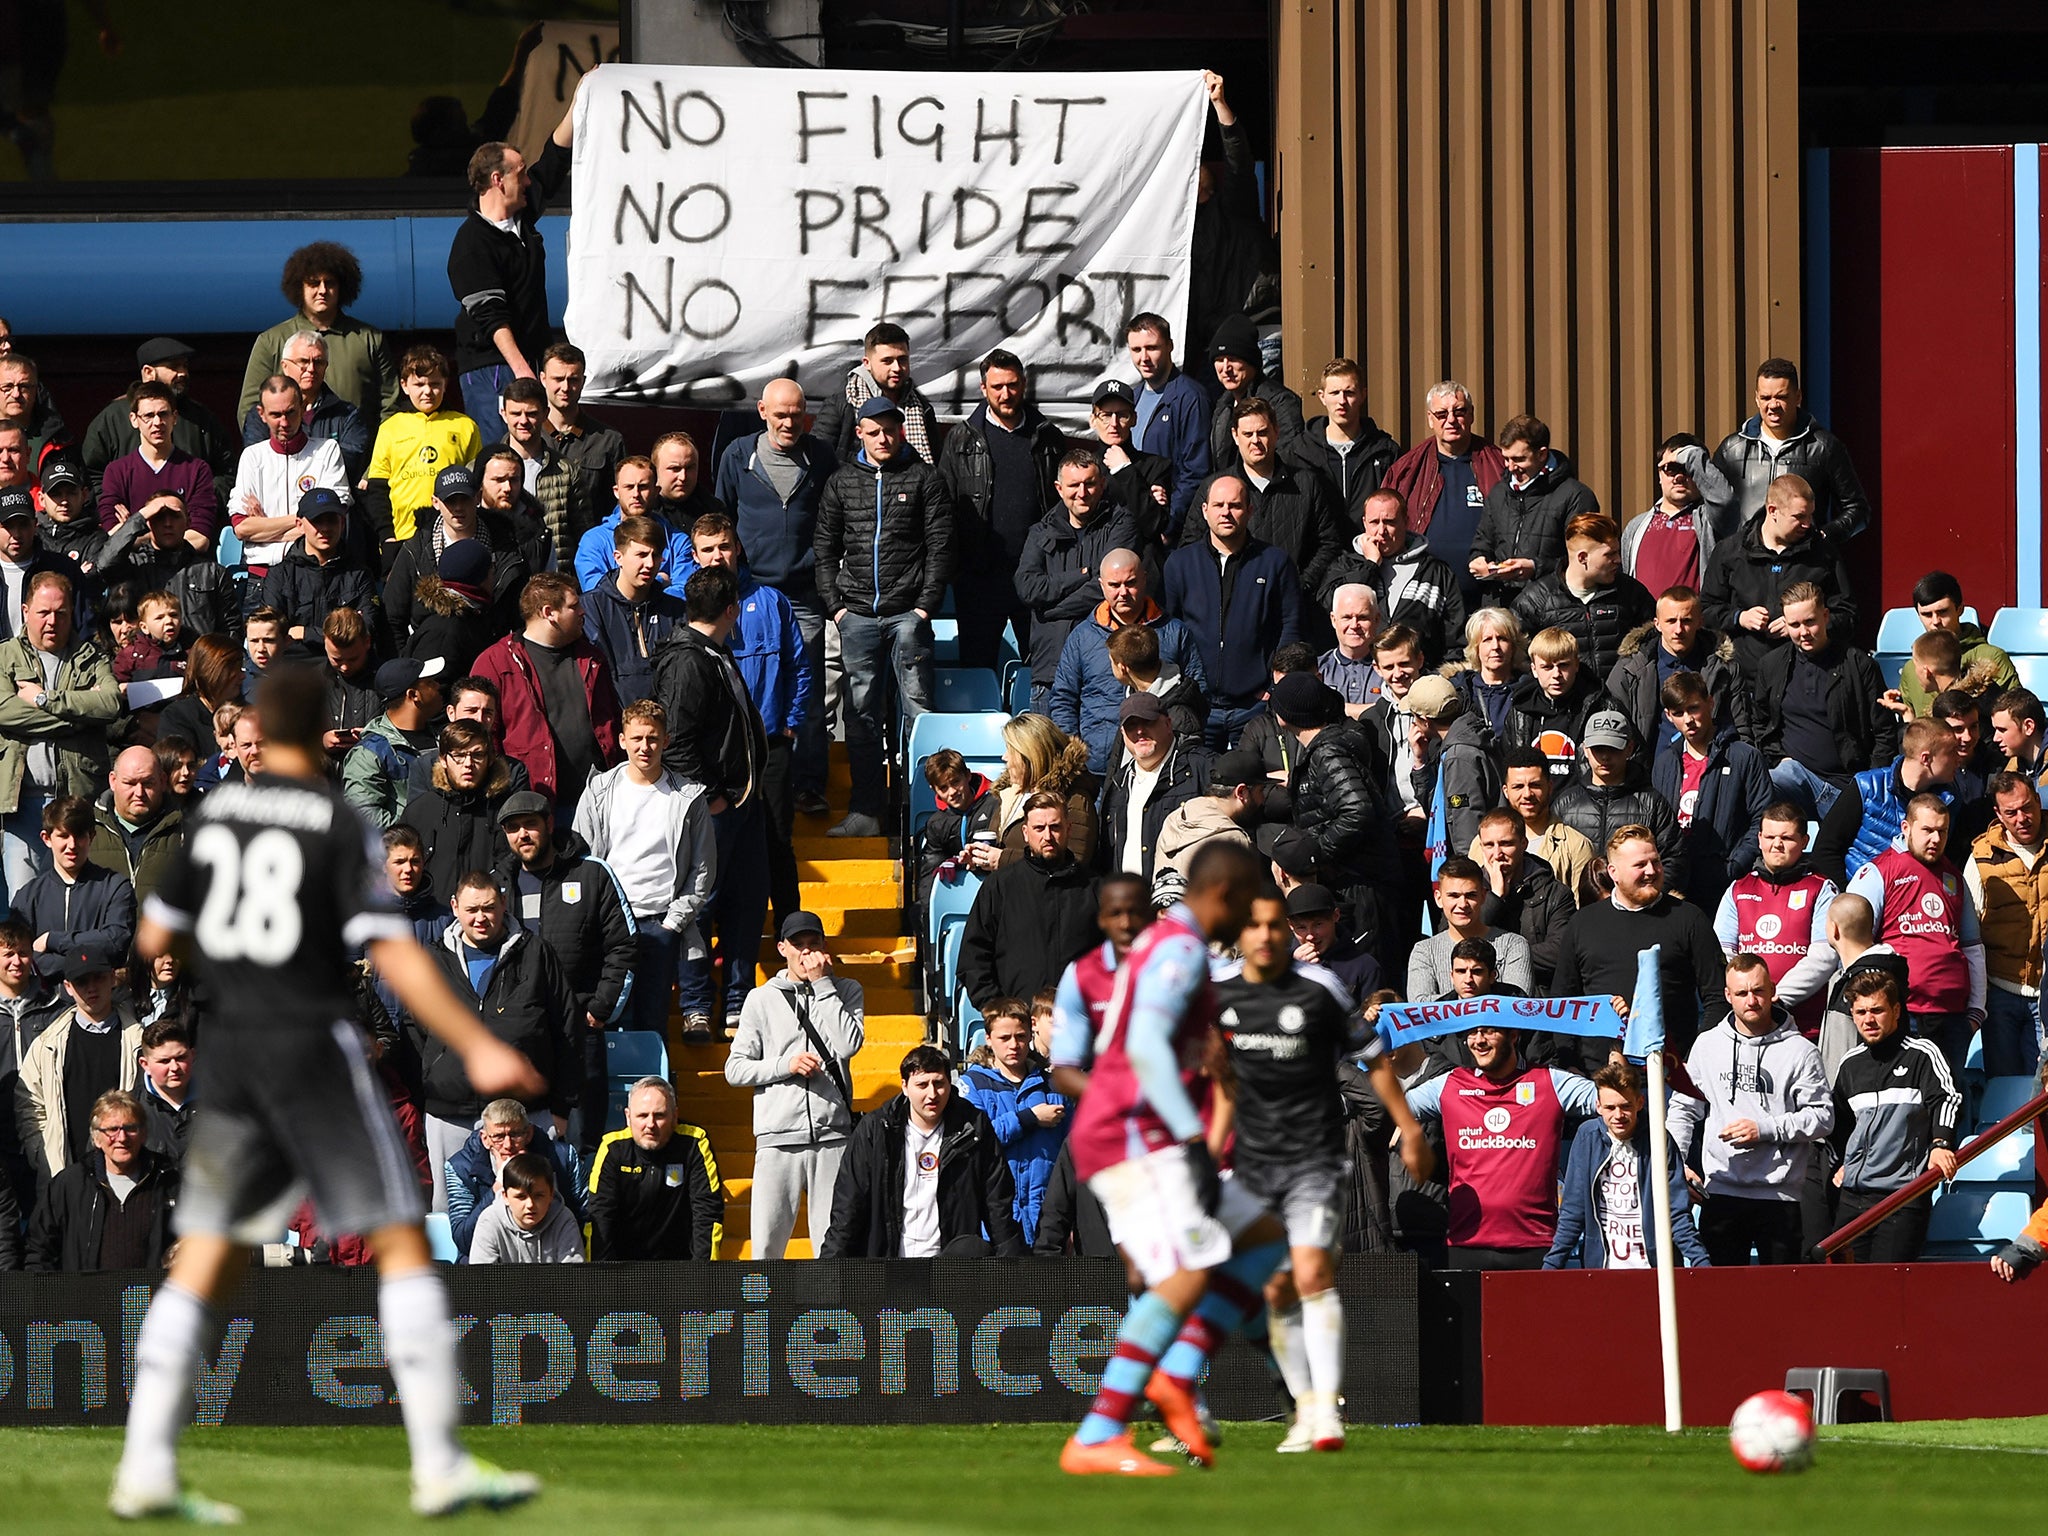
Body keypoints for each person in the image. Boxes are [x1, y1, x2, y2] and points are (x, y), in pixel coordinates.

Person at [114, 666, 546, 1519]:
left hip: (233, 1053)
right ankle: (440, 1463)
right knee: (401, 1243)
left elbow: (156, 932)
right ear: (323, 733)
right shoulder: (338, 823)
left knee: (204, 1259)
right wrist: (477, 1044)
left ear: (254, 733)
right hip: (311, 1044)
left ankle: (146, 1468)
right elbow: (394, 954)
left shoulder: (214, 820)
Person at [1048, 842, 1288, 1474]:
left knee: (1262, 1241)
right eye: (1250, 903)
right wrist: (1190, 1137)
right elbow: (1148, 1042)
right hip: (1134, 1132)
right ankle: (1100, 1433)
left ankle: (1176, 1375)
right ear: (1225, 895)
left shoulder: (1167, 945)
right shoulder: (1179, 950)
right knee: (1188, 1270)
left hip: (1141, 1128)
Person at [1214, 886, 1426, 1452]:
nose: (1264, 936)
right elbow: (1224, 1086)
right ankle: (1306, 1408)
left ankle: (1329, 1414)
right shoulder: (1221, 997)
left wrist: (1409, 1128)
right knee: (1278, 1287)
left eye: (1272, 926)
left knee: (1310, 1275)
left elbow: (1373, 1060)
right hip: (1254, 1166)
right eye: (1253, 926)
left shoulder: (1321, 988)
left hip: (1314, 1158)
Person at [814, 396, 952, 838]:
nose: (882, 439)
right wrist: (836, 607)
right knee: (860, 718)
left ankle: (921, 815)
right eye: (873, 431)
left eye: (890, 430)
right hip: (854, 616)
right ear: (859, 432)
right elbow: (824, 550)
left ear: (903, 430)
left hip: (908, 616)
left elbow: (940, 547)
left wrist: (924, 606)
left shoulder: (925, 479)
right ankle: (867, 812)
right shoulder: (840, 482)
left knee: (918, 713)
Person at [650, 568, 769, 1032]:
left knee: (745, 903)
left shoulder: (713, 653)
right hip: (713, 810)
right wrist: (714, 798)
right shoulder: (689, 661)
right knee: (702, 905)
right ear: (732, 609)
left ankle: (737, 1002)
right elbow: (677, 742)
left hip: (741, 804)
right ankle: (698, 1004)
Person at [713, 379, 837, 812]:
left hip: (804, 593)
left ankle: (808, 784)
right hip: (751, 591)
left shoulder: (821, 457)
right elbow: (721, 518)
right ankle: (747, 778)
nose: (789, 423)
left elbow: (833, 519)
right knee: (747, 684)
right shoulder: (737, 455)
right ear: (762, 410)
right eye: (780, 414)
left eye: (797, 415)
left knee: (806, 688)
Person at [1666, 955, 1834, 1266]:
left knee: (1780, 1301)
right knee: (1722, 1300)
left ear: (1772, 990)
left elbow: (1823, 1117)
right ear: (1728, 996)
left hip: (1780, 1198)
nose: (1752, 1001)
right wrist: (1676, 1166)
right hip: (1720, 1193)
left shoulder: (1801, 1051)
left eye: (1758, 991)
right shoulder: (1707, 1044)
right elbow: (1683, 1108)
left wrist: (1765, 1129)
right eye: (1742, 994)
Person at [419, 873, 581, 1194]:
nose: (481, 918)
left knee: (532, 1211)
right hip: (451, 1116)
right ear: (454, 907)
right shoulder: (433, 960)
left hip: (526, 1118)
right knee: (452, 1216)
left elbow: (567, 1029)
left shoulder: (536, 954)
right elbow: (415, 1031)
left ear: (504, 904)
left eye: (489, 908)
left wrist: (561, 1108)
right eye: (472, 909)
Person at [688, 511, 815, 917]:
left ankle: (791, 933)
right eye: (707, 550)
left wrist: (792, 723)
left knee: (778, 840)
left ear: (738, 548)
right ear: (694, 555)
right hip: (719, 754)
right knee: (717, 846)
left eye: (724, 546)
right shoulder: (687, 608)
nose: (717, 556)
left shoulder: (771, 601)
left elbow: (799, 667)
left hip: (770, 744)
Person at [1404, 1017, 1600, 1269]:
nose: (1478, 1040)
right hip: (1466, 1245)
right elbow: (1389, 1107)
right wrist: (1373, 1033)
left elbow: (1611, 1100)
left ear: (1514, 1035)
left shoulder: (1550, 1081)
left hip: (1537, 1246)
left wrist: (1626, 1030)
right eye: (1472, 1033)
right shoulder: (1451, 1084)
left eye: (1489, 1031)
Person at [571, 701, 717, 1040]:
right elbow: (583, 857)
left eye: (653, 738)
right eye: (637, 738)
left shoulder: (688, 798)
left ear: (666, 741)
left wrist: (673, 923)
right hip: (610, 926)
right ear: (622, 740)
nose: (644, 747)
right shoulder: (599, 791)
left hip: (659, 924)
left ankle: (658, 1091)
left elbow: (703, 869)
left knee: (652, 1025)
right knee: (609, 1021)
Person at [726, 910, 864, 1259]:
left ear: (824, 947)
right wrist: (784, 1066)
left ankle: (831, 1314)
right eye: (798, 945)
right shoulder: (760, 998)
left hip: (832, 1137)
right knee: (766, 1249)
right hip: (777, 1140)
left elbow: (849, 1045)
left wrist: (823, 987)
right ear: (783, 948)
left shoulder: (846, 990)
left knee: (832, 1246)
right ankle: (761, 1314)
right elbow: (735, 1069)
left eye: (813, 943)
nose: (806, 953)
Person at [820, 1043, 1021, 1260]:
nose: (932, 1094)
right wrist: (829, 1275)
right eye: (922, 1085)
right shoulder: (875, 1130)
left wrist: (1011, 1270)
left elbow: (997, 1203)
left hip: (950, 1268)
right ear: (905, 1087)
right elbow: (848, 1207)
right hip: (889, 1267)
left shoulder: (972, 1126)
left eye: (939, 1083)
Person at [447, 113, 577, 448]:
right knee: (503, 453)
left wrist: (580, 99)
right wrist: (522, 372)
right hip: (494, 366)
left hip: (532, 356)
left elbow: (553, 163)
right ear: (497, 180)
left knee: (541, 451)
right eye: (521, 174)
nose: (529, 182)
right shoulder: (471, 244)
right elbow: (492, 317)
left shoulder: (521, 219)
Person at [939, 349, 1072, 673]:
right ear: (983, 389)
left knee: (1042, 669)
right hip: (979, 578)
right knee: (976, 668)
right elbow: (945, 508)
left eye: (1012, 385)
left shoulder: (1048, 438)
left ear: (1023, 384)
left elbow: (1062, 504)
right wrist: (958, 568)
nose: (1006, 393)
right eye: (997, 386)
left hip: (1036, 573)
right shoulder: (961, 439)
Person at [1552, 826, 1727, 1062]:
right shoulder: (1582, 923)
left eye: (1655, 862)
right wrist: (1569, 1063)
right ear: (1614, 872)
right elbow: (1563, 1001)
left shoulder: (1689, 919)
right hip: (1598, 1076)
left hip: (1672, 1074)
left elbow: (1717, 996)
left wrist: (1696, 1058)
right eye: (1640, 865)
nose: (1651, 871)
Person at [1846, 794, 1985, 1080]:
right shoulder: (1878, 872)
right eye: (1927, 830)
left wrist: (1976, 1010)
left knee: (1951, 1105)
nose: (1935, 838)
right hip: (1904, 1014)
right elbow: (1853, 943)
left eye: (1942, 831)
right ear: (1906, 827)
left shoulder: (1953, 877)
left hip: (1953, 1016)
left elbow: (1972, 946)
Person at [0, 570, 122, 896]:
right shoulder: (4, 657)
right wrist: (80, 716)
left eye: (60, 612)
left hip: (79, 802)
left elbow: (110, 703)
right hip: (23, 805)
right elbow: (4, 712)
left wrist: (44, 699)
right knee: (23, 904)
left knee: (79, 903)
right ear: (26, 611)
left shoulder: (91, 656)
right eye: (43, 613)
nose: (51, 621)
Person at [1827, 970, 1960, 1263]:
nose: (1868, 1020)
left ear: (1896, 1010)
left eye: (1877, 1010)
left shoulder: (1922, 1054)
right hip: (1851, 1198)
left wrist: (1940, 1144)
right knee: (1842, 1291)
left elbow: (1948, 1098)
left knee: (1886, 1293)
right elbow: (1838, 1122)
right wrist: (1839, 1162)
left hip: (1901, 1198)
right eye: (1860, 1012)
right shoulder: (1850, 1063)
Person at [1162, 474, 1302, 748]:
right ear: (1205, 511)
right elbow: (1169, 629)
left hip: (1254, 706)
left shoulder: (1275, 563)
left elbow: (1291, 624)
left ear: (1250, 510)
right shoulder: (1180, 564)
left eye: (1235, 505)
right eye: (1218, 505)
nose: (1226, 512)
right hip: (1196, 706)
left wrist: (1276, 687)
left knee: (1256, 785)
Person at [1049, 548, 1209, 774]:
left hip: (1164, 766)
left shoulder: (1174, 632)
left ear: (1145, 578)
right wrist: (1075, 753)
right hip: (1098, 768)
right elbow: (1063, 698)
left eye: (1130, 583)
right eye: (1114, 585)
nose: (1123, 592)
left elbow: (1197, 691)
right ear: (1102, 585)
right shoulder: (1082, 637)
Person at [470, 572, 620, 812]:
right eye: (574, 606)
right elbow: (484, 734)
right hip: (533, 804)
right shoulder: (496, 663)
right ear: (549, 613)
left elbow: (611, 720)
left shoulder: (592, 658)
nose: (583, 612)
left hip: (600, 799)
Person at [1545, 1060, 1710, 1270]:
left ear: (1640, 1102)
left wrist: (1701, 1263)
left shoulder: (1659, 1139)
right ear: (1598, 1106)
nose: (1618, 1115)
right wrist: (1551, 1266)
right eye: (1610, 1107)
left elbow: (1676, 1212)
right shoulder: (1588, 1137)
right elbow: (1573, 1212)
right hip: (1603, 1269)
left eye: (1626, 1106)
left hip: (1654, 1268)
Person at [1754, 582, 1898, 821]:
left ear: (1825, 616)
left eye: (1810, 622)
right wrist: (1778, 757)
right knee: (1762, 780)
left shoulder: (1858, 664)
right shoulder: (1771, 665)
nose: (1804, 632)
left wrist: (1868, 786)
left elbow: (1884, 732)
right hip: (1791, 783)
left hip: (1845, 787)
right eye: (1795, 625)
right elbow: (1760, 722)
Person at [1700, 473, 1857, 679]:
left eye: (1810, 515)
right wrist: (1740, 618)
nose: (1808, 524)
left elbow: (1847, 615)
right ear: (1773, 511)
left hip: (1807, 675)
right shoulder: (1730, 552)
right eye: (1799, 517)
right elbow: (1706, 610)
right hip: (1744, 678)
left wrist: (1803, 625)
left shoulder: (1823, 553)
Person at [14, 940, 142, 1189]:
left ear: (112, 979)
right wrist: (43, 1154)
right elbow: (29, 1106)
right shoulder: (47, 1044)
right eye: (82, 981)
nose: (91, 988)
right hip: (66, 1177)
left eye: (98, 978)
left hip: (125, 1174)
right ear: (68, 987)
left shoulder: (138, 1041)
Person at [958, 791, 1101, 1012]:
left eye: (1055, 827)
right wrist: (999, 1012)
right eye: (1039, 828)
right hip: (1019, 1028)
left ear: (1068, 830)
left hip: (1080, 1020)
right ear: (1026, 833)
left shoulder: (1094, 888)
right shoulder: (999, 887)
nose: (1048, 836)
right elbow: (973, 959)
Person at [1017, 452, 1140, 703]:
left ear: (1102, 484)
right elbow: (1027, 587)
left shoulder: (1121, 523)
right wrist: (1080, 575)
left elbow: (1106, 588)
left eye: (1090, 484)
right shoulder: (1041, 531)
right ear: (1059, 488)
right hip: (1050, 669)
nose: (1082, 493)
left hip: (1106, 669)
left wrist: (1051, 610)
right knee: (1049, 744)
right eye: (1074, 485)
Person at [1711, 357, 1871, 547]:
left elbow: (1858, 510)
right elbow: (1710, 506)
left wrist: (1823, 537)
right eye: (1765, 398)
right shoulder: (1733, 449)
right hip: (1747, 565)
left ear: (1798, 397)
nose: (1773, 406)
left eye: (1781, 397)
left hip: (1802, 564)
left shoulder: (1823, 447)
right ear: (1756, 398)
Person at [239, 241, 401, 425]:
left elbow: (390, 404)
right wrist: (270, 452)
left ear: (342, 287)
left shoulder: (369, 339)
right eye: (314, 283)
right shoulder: (271, 341)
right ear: (300, 287)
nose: (322, 290)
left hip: (358, 451)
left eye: (329, 283)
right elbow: (250, 409)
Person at [1714, 803, 1840, 1039]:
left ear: (1804, 841)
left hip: (1805, 1027)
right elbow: (1723, 955)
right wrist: (1749, 997)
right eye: (1770, 836)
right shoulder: (1738, 889)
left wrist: (1775, 998)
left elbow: (1824, 957)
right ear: (1759, 838)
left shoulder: (1822, 888)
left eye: (1786, 837)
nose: (1777, 844)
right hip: (1747, 1024)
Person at [1650, 672, 1772, 906]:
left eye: (1693, 708)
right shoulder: (1665, 762)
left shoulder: (1744, 757)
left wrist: (1734, 865)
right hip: (1676, 881)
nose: (1688, 720)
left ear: (1710, 702)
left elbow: (1762, 819)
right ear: (1668, 716)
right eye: (1678, 713)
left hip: (1725, 883)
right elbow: (1657, 821)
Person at [26, 1087, 179, 1273]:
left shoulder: (169, 1181)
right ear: (97, 1138)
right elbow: (39, 1250)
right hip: (87, 1298)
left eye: (130, 1128)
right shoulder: (70, 1185)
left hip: (148, 1298)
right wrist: (51, 1298)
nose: (121, 1138)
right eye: (112, 1129)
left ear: (144, 1134)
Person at [383, 465, 530, 650]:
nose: (458, 507)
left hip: (490, 655)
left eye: (465, 499)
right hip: (431, 657)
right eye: (450, 501)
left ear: (477, 497)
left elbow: (521, 618)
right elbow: (392, 618)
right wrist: (409, 664)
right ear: (435, 502)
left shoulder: (506, 550)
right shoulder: (415, 550)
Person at [961, 997, 1067, 1248]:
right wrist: (1029, 1118)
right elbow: (974, 1141)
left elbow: (1072, 1150)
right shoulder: (974, 1084)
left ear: (1031, 1033)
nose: (1014, 1045)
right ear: (988, 1038)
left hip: (1046, 1217)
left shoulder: (1053, 1084)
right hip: (996, 1219)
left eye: (1020, 1037)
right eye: (1004, 1038)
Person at [1318, 487, 1466, 668]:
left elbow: (1455, 638)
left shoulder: (1436, 572)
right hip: (1359, 677)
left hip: (1419, 678)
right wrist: (1370, 565)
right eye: (1374, 522)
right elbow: (1328, 604)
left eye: (1389, 522)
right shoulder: (1345, 564)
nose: (1381, 531)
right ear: (1364, 523)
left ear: (1405, 521)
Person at [1380, 380, 1506, 592]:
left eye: (1459, 411)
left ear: (1472, 414)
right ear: (1430, 419)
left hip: (1490, 593)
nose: (1451, 420)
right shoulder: (1406, 470)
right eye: (1441, 414)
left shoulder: (1498, 464)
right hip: (1425, 592)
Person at [363, 347, 485, 562]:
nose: (427, 391)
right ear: (404, 386)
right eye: (419, 384)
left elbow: (477, 485)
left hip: (454, 537)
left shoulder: (465, 426)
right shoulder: (390, 428)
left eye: (435, 384)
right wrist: (386, 536)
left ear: (446, 384)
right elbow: (378, 488)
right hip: (403, 536)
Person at [228, 377, 352, 589]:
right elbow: (242, 528)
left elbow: (330, 523)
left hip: (315, 573)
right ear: (262, 414)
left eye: (290, 412)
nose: (284, 423)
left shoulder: (327, 451)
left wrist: (265, 526)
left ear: (303, 408)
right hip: (261, 576)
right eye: (275, 415)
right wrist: (304, 520)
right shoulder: (252, 457)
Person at [1468, 413, 1599, 610]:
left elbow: (1585, 560)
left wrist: (1535, 568)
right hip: (1502, 607)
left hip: (1552, 608)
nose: (1510, 467)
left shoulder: (1576, 496)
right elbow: (1482, 542)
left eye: (1519, 459)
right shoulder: (1499, 493)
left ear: (1542, 454)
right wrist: (1478, 560)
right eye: (1506, 459)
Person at [587, 1076, 724, 1261]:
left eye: (659, 1115)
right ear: (628, 1117)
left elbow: (707, 1215)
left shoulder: (694, 1144)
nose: (650, 1124)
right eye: (642, 1115)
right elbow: (600, 1217)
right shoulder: (612, 1148)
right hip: (622, 1270)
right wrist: (603, 1280)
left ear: (675, 1116)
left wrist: (700, 1276)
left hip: (681, 1267)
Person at [1966, 771, 2048, 1077]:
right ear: (1998, 814)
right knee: (2003, 1086)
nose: (2022, 818)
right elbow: (1969, 925)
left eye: (2027, 807)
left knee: (2042, 1089)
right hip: (2000, 990)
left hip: (2047, 990)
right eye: (2011, 812)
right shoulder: (1981, 857)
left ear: (2039, 801)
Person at [1510, 511, 1654, 683]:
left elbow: (1652, 646)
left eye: (1618, 553)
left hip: (1621, 704)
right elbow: (1517, 659)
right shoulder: (1535, 601)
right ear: (1583, 557)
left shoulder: (1631, 594)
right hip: (1563, 707)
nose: (1618, 560)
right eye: (1610, 554)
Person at [1607, 585, 1751, 754]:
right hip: (1649, 771)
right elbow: (1613, 731)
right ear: (1657, 624)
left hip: (1711, 768)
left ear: (1699, 622)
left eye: (1687, 621)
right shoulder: (1630, 670)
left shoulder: (1724, 669)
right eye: (1671, 621)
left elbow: (1742, 728)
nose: (1678, 630)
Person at [1551, 708, 1684, 888]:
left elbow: (1674, 860)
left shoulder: (1652, 803)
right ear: (1585, 750)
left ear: (1629, 748)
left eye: (1613, 748)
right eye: (1598, 749)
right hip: (1577, 910)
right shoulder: (1565, 804)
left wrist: (1645, 901)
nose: (1605, 757)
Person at [441, 1097, 586, 1260]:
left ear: (529, 1133)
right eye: (498, 1137)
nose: (508, 1144)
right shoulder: (460, 1167)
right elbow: (464, 1240)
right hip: (485, 1258)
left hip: (550, 1255)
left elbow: (581, 1217)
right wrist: (498, 1187)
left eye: (516, 1134)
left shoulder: (563, 1157)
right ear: (485, 1139)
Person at [10, 795, 134, 975]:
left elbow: (115, 943)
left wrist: (53, 940)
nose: (72, 845)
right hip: (44, 1000)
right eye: (63, 836)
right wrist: (84, 962)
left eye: (79, 836)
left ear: (91, 836)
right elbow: (19, 959)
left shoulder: (115, 887)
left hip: (100, 999)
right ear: (47, 838)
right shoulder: (28, 897)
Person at [1098, 694, 1209, 889]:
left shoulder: (1202, 767)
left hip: (1184, 907)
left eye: (1148, 722)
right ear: (1123, 735)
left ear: (1167, 723)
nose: (1140, 731)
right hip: (1133, 907)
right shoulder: (1117, 785)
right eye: (1131, 726)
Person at [238, 330, 373, 485]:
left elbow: (346, 470)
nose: (311, 369)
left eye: (318, 362)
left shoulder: (347, 416)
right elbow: (259, 468)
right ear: (285, 366)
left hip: (328, 504)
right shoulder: (261, 417)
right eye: (303, 361)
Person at [578, 515, 686, 708]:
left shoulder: (676, 610)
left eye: (656, 556)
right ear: (618, 557)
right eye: (641, 555)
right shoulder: (590, 609)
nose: (650, 564)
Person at [92, 380, 221, 539]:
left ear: (174, 418)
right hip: (133, 564)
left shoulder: (197, 470)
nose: (157, 423)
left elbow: (200, 537)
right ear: (134, 419)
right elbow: (111, 536)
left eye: (163, 414)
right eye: (148, 416)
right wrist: (174, 534)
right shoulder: (116, 472)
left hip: (184, 563)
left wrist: (132, 528)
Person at [1124, 312, 1212, 540]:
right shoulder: (1131, 398)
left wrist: (1170, 523)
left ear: (1170, 346)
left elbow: (1195, 471)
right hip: (1134, 523)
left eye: (1152, 348)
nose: (1144, 357)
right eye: (1136, 350)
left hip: (1168, 530)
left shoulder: (1191, 397)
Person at [98, 493, 232, 643]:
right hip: (147, 661)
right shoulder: (134, 566)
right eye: (159, 517)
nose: (168, 523)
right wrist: (139, 517)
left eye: (175, 516)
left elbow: (231, 629)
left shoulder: (213, 572)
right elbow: (105, 563)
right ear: (148, 523)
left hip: (199, 660)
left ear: (188, 522)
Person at [1408, 671, 1502, 879]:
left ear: (1425, 721)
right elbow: (1440, 806)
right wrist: (1420, 762)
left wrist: (1465, 877)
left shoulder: (1459, 756)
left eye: (1413, 717)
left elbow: (1465, 820)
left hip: (1475, 873)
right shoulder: (1462, 740)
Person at [257, 488, 379, 645]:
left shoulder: (360, 574)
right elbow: (272, 631)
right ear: (299, 525)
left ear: (342, 523)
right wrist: (340, 632)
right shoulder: (279, 575)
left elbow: (366, 628)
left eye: (332, 520)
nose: (325, 528)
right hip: (292, 664)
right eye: (317, 521)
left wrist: (307, 633)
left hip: (345, 663)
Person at [1470, 808, 1575, 989]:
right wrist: (1495, 897)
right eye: (1489, 845)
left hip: (1538, 997)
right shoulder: (1466, 891)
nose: (1497, 854)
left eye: (1506, 844)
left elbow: (1561, 952)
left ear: (1524, 843)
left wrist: (1496, 960)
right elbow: (1462, 945)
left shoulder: (1556, 893)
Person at [340, 656, 448, 830]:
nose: (438, 686)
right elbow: (364, 816)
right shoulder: (370, 753)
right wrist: (419, 827)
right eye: (430, 682)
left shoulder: (442, 738)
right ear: (414, 695)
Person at [1151, 748, 1266, 909]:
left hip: (1170, 930)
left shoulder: (1174, 819)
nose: (1263, 799)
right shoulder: (1234, 841)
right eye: (1261, 791)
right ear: (1241, 792)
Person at [1620, 434, 1733, 595]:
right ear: (1660, 474)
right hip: (1648, 619)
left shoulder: (1710, 520)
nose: (1679, 477)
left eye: (1687, 468)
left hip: (1693, 619)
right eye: (1671, 469)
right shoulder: (1636, 526)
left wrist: (1689, 456)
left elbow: (1725, 499)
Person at [813, 322, 938, 465]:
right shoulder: (841, 404)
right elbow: (817, 460)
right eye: (887, 361)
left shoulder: (922, 408)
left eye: (902, 359)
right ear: (867, 363)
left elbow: (936, 464)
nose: (897, 368)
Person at [1407, 856, 1534, 996]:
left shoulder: (1513, 945)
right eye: (1453, 896)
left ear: (1483, 896)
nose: (1462, 904)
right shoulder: (1424, 952)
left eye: (1471, 895)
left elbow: (1517, 1004)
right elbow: (1420, 1008)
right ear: (1438, 898)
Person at [1295, 358, 1400, 525]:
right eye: (1334, 393)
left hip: (1372, 547)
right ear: (1322, 397)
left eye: (1349, 392)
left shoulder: (1385, 451)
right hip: (1320, 549)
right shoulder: (1299, 453)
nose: (1342, 401)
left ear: (1362, 395)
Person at [1899, 571, 2016, 720]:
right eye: (1927, 614)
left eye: (1942, 612)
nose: (1935, 621)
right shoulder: (1912, 668)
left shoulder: (1992, 657)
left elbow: (2016, 715)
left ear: (1960, 609)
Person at [1502, 626, 1612, 781]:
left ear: (1576, 665)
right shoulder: (1519, 711)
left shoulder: (1600, 707)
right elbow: (1507, 769)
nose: (1556, 675)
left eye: (1563, 665)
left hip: (1583, 803)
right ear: (1534, 669)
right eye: (1547, 667)